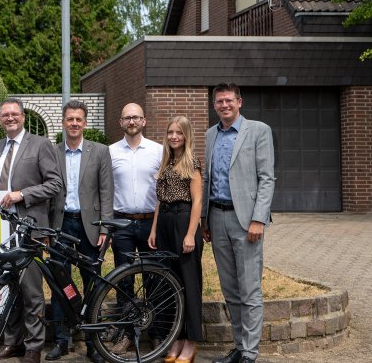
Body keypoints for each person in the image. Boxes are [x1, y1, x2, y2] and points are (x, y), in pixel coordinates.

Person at [0, 98, 63, 363]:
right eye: (5, 114)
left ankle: (33, 346)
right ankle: (11, 342)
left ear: (23, 117)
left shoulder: (40, 145)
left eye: (14, 114)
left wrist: (22, 194)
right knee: (7, 289)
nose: (10, 118)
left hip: (29, 228)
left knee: (31, 291)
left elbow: (54, 184)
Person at [203, 83, 275, 363]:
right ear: (214, 105)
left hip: (246, 221)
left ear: (239, 102)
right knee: (230, 289)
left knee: (249, 289)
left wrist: (258, 219)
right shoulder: (211, 134)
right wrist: (204, 220)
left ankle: (250, 354)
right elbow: (209, 178)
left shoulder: (258, 131)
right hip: (217, 219)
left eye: (228, 100)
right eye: (219, 101)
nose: (224, 105)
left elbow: (267, 178)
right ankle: (239, 346)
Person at [47, 99, 113, 363]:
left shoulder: (99, 152)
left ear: (85, 123)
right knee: (59, 283)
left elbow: (107, 192)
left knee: (92, 283)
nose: (74, 123)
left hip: (90, 227)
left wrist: (106, 227)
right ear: (63, 123)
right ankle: (61, 341)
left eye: (78, 119)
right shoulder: (52, 152)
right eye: (69, 119)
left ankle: (92, 344)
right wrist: (48, 230)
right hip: (60, 225)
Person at [107, 103, 164, 355]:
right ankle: (128, 334)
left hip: (150, 222)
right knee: (124, 281)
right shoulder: (109, 152)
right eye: (127, 117)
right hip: (121, 224)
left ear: (144, 121)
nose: (132, 121)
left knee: (154, 278)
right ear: (121, 122)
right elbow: (105, 191)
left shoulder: (158, 151)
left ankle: (157, 333)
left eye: (136, 117)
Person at [148, 116, 204, 363]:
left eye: (178, 133)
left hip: (184, 223)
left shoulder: (191, 162)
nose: (173, 137)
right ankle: (176, 340)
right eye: (170, 132)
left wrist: (191, 233)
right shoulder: (166, 162)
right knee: (170, 286)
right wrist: (153, 230)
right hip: (164, 224)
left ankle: (191, 343)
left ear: (186, 136)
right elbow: (159, 201)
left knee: (188, 284)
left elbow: (197, 202)